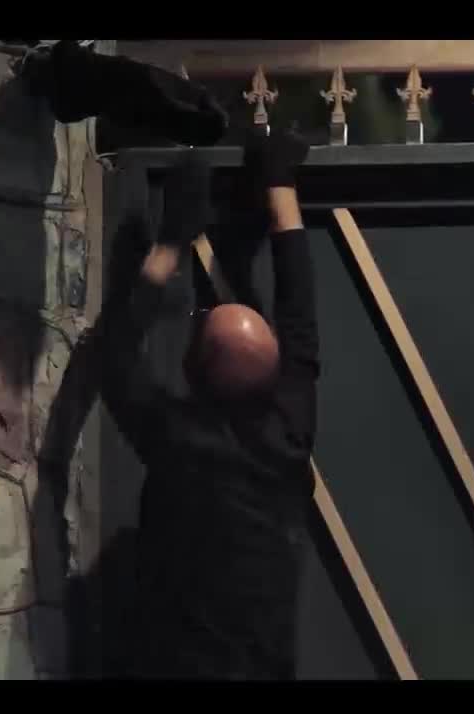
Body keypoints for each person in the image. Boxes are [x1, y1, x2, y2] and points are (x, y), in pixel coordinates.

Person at [93, 129, 318, 679]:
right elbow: (299, 321)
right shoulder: (287, 435)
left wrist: (170, 242)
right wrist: (280, 182)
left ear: (191, 368)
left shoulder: (178, 439)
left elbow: (115, 351)